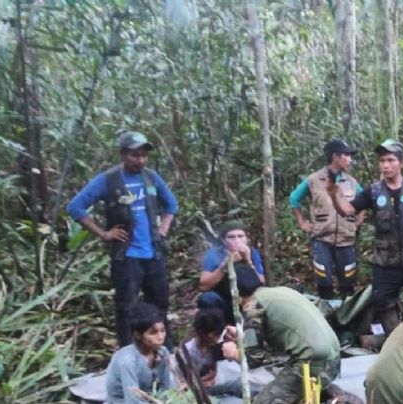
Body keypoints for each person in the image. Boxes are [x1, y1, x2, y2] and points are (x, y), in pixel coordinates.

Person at [67, 130, 178, 348]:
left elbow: (171, 205)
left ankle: (165, 351)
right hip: (127, 256)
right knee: (126, 307)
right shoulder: (108, 180)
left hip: (154, 253)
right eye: (135, 155)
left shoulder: (151, 178)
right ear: (122, 154)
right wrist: (104, 233)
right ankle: (129, 353)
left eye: (144, 155)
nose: (141, 160)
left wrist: (163, 229)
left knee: (160, 304)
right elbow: (75, 207)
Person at [329, 139, 403, 334]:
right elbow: (348, 210)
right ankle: (397, 340)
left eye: (391, 160)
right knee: (383, 303)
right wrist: (333, 193)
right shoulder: (374, 191)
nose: (385, 165)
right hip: (386, 263)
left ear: (402, 163)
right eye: (382, 160)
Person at [222, 263, 359, 404]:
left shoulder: (253, 307)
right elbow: (280, 337)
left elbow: (253, 359)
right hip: (333, 360)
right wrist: (242, 337)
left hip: (312, 365)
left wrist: (233, 353)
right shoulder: (280, 292)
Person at [289, 139, 365, 299]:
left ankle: (347, 316)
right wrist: (302, 222)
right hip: (322, 239)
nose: (350, 160)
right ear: (335, 157)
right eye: (347, 156)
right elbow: (294, 199)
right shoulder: (314, 180)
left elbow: (363, 201)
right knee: (323, 281)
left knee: (348, 281)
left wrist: (358, 222)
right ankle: (326, 315)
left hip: (346, 240)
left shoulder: (351, 182)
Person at [106, 303, 174, 403]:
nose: (160, 337)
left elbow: (168, 386)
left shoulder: (162, 352)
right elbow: (132, 399)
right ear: (137, 335)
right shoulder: (128, 361)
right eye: (153, 333)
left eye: (162, 331)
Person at [199, 220, 265, 324]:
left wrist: (248, 261)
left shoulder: (252, 253)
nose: (236, 240)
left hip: (248, 301)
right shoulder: (214, 254)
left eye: (240, 236)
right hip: (224, 300)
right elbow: (204, 286)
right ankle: (217, 331)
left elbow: (261, 282)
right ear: (224, 240)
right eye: (231, 237)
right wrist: (224, 266)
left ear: (246, 239)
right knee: (207, 299)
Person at [182, 309, 243, 398]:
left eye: (218, 335)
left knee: (238, 386)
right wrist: (201, 383)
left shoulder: (215, 344)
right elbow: (185, 385)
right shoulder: (188, 352)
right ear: (200, 332)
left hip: (212, 384)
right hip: (199, 393)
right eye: (213, 335)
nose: (216, 339)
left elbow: (214, 373)